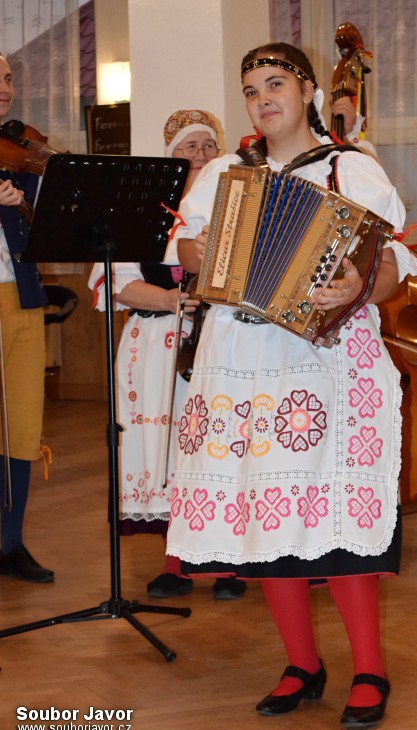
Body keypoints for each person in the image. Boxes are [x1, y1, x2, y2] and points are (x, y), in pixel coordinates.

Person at [165, 43, 417, 730]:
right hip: (242, 354)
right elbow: (184, 250)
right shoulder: (226, 172)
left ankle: (369, 668)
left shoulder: (350, 168)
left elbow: (391, 262)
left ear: (307, 90)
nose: (262, 100)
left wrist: (358, 284)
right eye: (251, 90)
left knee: (332, 508)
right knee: (264, 508)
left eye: (275, 84)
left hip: (324, 359)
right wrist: (202, 249)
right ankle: (302, 664)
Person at [88, 110, 246, 601]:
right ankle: (176, 563)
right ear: (170, 155)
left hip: (219, 344)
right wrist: (171, 300)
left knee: (218, 447)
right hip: (154, 346)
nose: (200, 155)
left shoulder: (235, 207)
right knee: (165, 453)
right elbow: (114, 282)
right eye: (188, 147)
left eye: (208, 145)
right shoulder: (142, 209)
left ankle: (230, 564)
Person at [0, 52, 53, 583]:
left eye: (8, 78)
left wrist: (26, 202)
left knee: (20, 424)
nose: (4, 87)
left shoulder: (21, 153)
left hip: (21, 295)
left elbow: (50, 229)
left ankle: (10, 542)